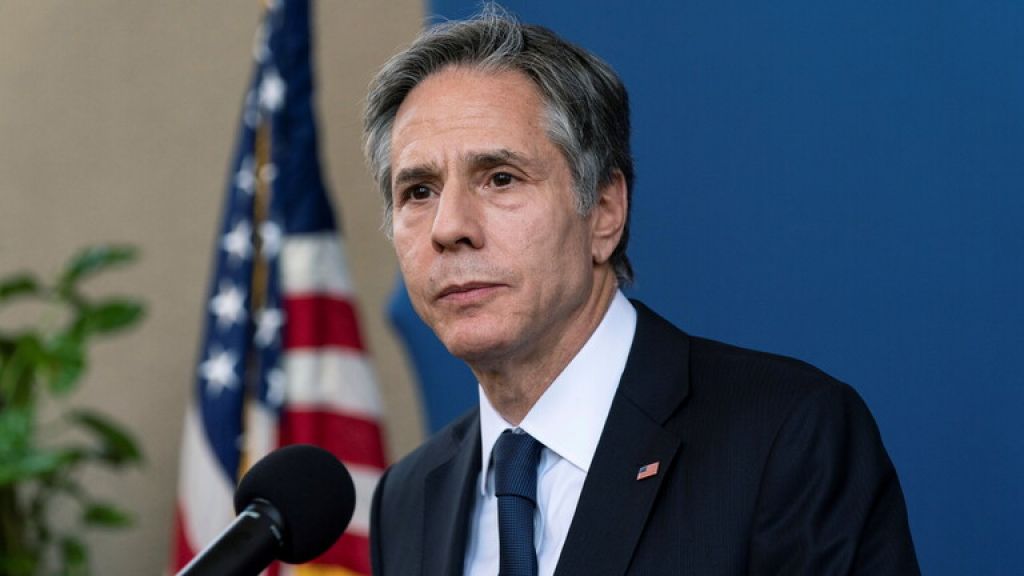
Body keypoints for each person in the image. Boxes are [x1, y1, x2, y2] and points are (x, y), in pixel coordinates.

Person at [362, 7, 920, 576]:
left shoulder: (785, 438)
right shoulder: (406, 499)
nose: (449, 227)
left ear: (605, 211)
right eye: (419, 191)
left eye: (501, 178)